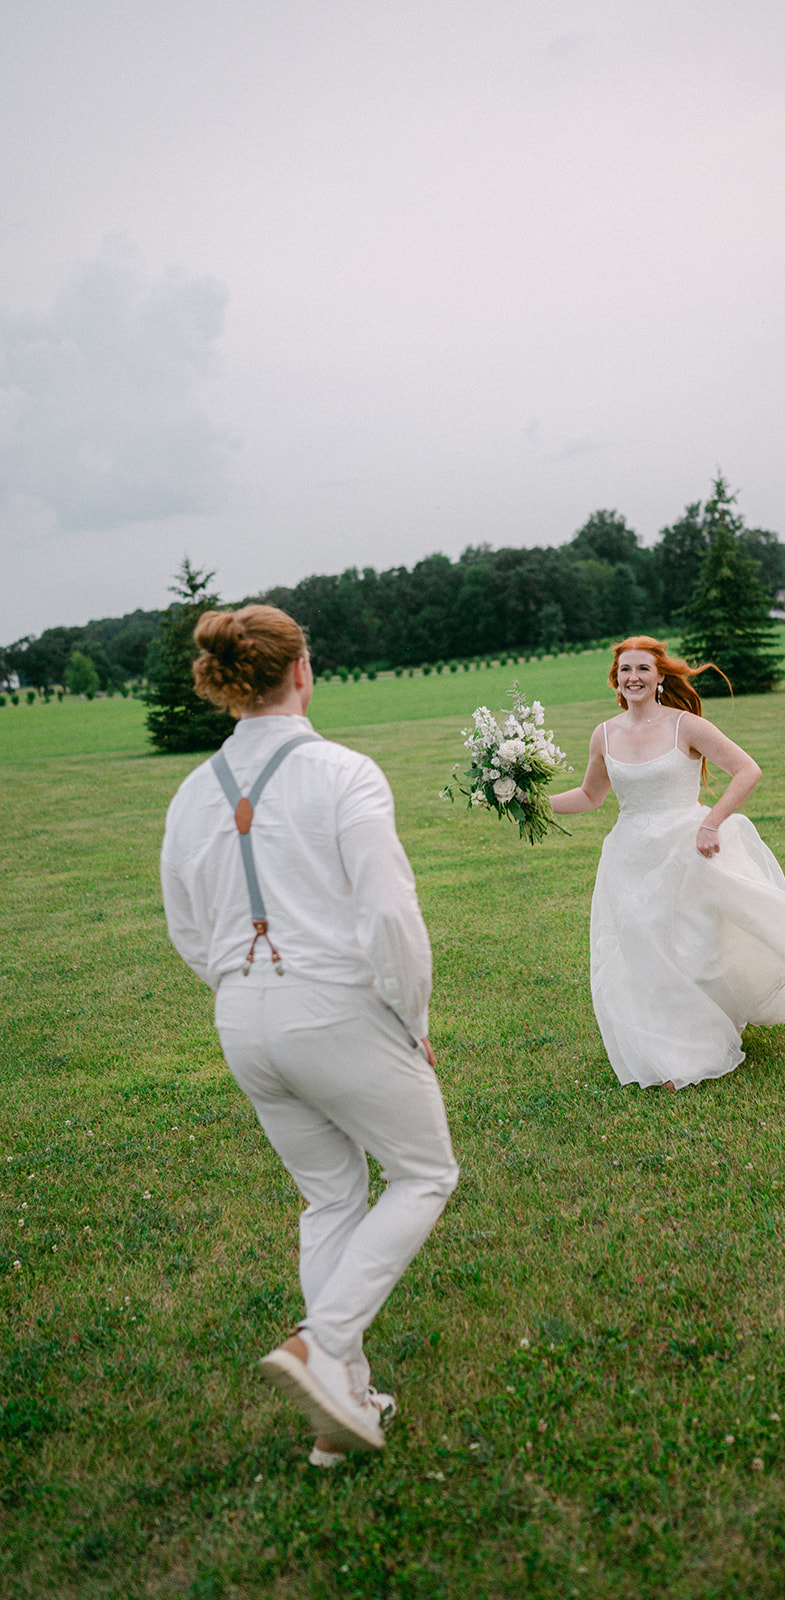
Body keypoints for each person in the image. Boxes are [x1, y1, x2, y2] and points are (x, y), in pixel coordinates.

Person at [160, 604, 458, 1465]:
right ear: (301, 671)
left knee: (331, 1198)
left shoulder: (189, 795)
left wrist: (241, 990)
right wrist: (413, 1021)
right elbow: (390, 915)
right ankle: (320, 1344)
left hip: (241, 1019)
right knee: (425, 1172)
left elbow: (186, 929)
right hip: (332, 1009)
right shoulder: (345, 772)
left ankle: (347, 1406)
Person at [549, 636, 785, 1090]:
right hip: (630, 855)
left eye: (643, 669)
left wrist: (712, 822)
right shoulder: (604, 734)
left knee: (691, 951)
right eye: (625, 670)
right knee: (643, 950)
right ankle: (668, 1051)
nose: (634, 678)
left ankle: (700, 1042)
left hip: (687, 850)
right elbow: (591, 795)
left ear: (661, 676)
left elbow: (748, 770)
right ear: (616, 679)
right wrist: (536, 803)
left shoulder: (685, 726)